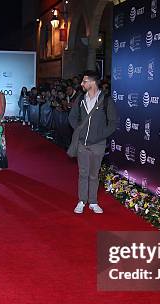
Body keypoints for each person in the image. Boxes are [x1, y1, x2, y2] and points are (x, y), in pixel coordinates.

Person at [67, 70, 117, 214]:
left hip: (98, 144)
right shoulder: (81, 99)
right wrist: (79, 131)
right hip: (82, 143)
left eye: (84, 81)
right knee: (83, 173)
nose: (82, 84)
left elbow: (113, 122)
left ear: (93, 82)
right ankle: (82, 201)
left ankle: (93, 202)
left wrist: (100, 136)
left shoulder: (106, 100)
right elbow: (72, 117)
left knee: (94, 175)